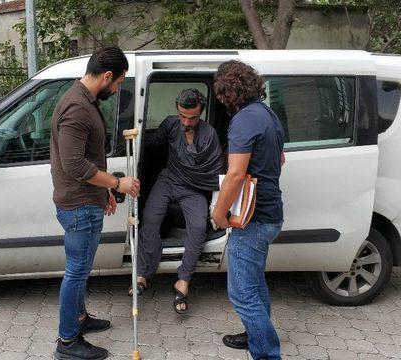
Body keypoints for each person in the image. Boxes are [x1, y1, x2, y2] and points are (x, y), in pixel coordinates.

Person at [50, 46, 140, 360]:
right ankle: (67, 342)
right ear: (106, 76)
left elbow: (87, 158)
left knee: (81, 270)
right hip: (78, 206)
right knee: (76, 272)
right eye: (118, 83)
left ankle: (79, 318)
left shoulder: (83, 99)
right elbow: (73, 164)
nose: (117, 90)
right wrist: (118, 183)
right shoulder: (77, 107)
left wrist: (103, 193)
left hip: (86, 200)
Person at [211, 60, 286, 360]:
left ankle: (267, 354)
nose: (219, 100)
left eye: (220, 93)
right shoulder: (268, 115)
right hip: (271, 213)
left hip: (252, 220)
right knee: (254, 284)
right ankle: (253, 333)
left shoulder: (243, 120)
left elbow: (236, 174)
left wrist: (219, 212)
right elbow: (280, 160)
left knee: (242, 293)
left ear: (229, 91)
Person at [132, 88, 223, 314]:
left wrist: (214, 206)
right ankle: (143, 273)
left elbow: (213, 169)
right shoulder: (171, 124)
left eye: (191, 117)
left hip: (193, 188)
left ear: (200, 113)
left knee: (198, 226)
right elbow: (152, 141)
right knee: (150, 218)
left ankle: (183, 280)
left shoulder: (209, 134)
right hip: (169, 179)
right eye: (182, 115)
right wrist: (136, 135)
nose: (186, 121)